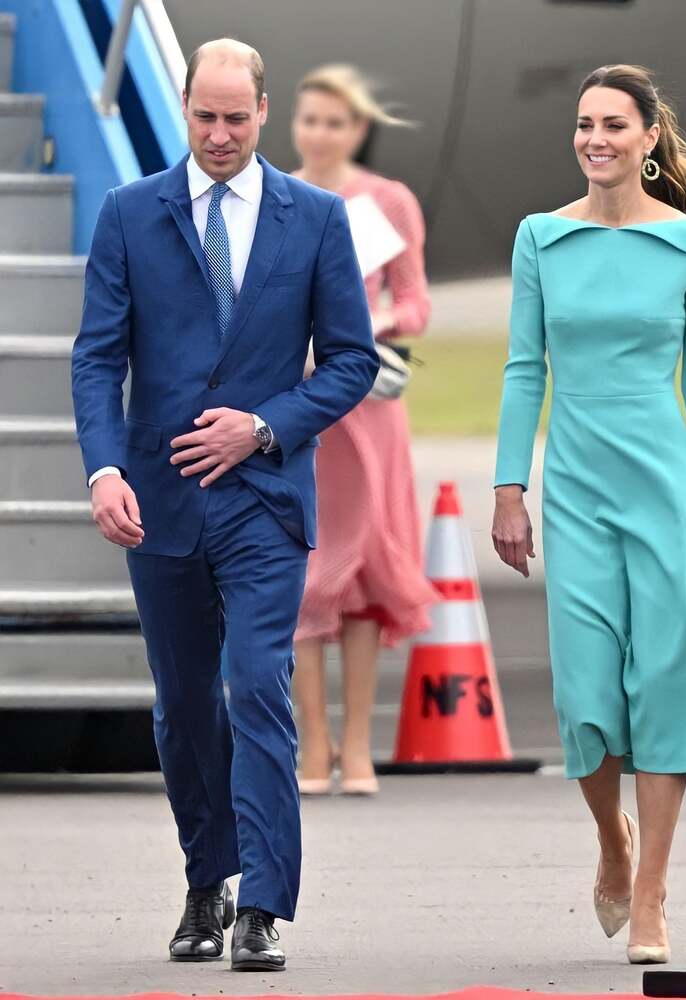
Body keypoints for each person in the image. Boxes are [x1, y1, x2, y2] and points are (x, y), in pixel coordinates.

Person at [71, 39, 378, 972]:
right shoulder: (131, 213)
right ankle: (208, 883)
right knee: (182, 708)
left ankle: (263, 907)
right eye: (203, 116)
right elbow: (97, 357)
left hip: (262, 499)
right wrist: (104, 470)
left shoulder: (315, 218)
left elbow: (353, 360)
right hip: (158, 500)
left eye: (235, 118)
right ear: (185, 106)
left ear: (262, 111)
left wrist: (264, 425)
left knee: (256, 685)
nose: (217, 133)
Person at [492, 64, 686, 965]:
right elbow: (524, 368)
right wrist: (507, 490)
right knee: (585, 696)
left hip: (666, 489)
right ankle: (611, 840)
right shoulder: (540, 237)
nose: (594, 138)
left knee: (674, 678)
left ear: (649, 139)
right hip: (575, 490)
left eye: (613, 124)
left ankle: (650, 896)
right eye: (582, 124)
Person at [289, 65, 439, 797]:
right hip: (298, 405)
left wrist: (365, 327)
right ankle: (311, 745)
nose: (319, 133)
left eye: (334, 122)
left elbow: (414, 302)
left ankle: (356, 747)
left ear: (358, 130)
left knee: (366, 575)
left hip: (368, 405)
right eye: (309, 118)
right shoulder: (274, 192)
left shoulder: (387, 202)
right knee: (304, 571)